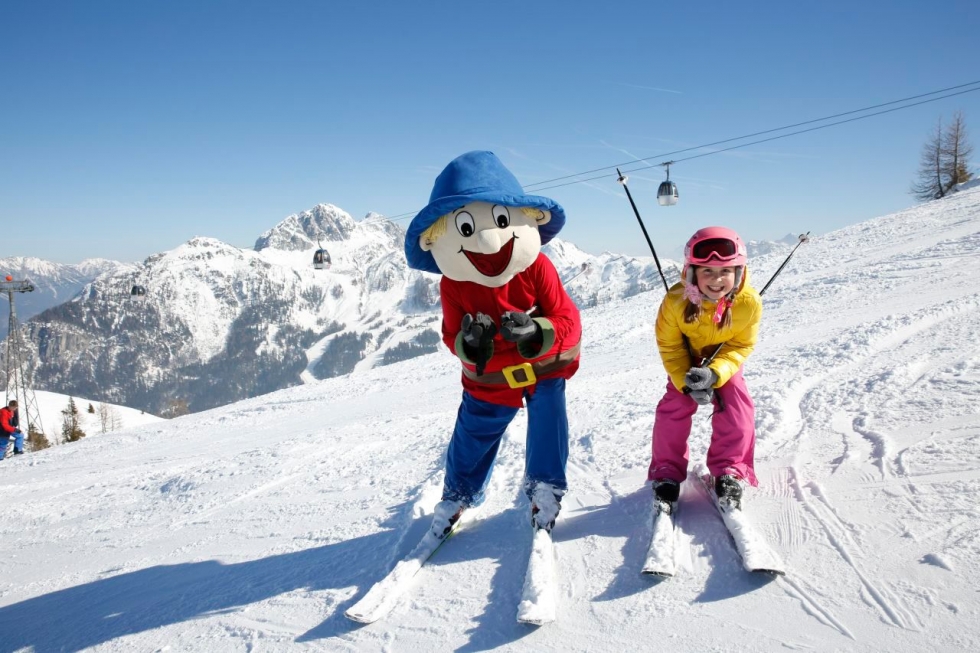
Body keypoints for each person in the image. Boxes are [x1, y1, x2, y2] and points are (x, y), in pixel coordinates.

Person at [405, 151, 582, 536]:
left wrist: (537, 332)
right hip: (491, 373)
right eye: (466, 228)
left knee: (549, 410)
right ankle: (459, 493)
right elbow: (451, 336)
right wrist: (472, 344)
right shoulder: (453, 283)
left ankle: (545, 486)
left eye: (501, 222)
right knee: (475, 426)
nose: (487, 240)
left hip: (539, 364)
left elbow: (568, 320)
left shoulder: (536, 267)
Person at [647, 226, 762, 511]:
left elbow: (741, 346)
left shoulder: (748, 303)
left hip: (722, 364)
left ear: (738, 273)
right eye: (707, 271)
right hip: (686, 363)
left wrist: (715, 374)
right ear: (691, 273)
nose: (716, 279)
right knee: (674, 404)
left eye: (724, 271)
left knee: (736, 401)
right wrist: (686, 382)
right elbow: (670, 347)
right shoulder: (676, 302)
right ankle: (666, 473)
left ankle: (730, 469)